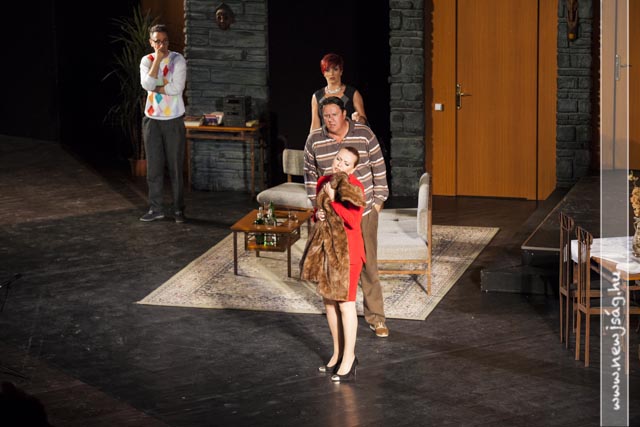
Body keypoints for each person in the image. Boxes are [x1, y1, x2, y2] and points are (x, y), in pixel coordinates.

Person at [304, 96, 390, 338]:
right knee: (334, 264)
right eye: (326, 115)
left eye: (334, 114)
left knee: (368, 264)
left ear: (344, 113)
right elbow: (310, 176)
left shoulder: (363, 134)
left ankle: (376, 317)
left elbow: (379, 167)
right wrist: (317, 207)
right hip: (331, 217)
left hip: (362, 212)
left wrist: (377, 204)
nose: (330, 119)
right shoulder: (315, 140)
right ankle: (342, 309)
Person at [302, 147, 365, 382]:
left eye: (346, 163)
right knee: (329, 303)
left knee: (346, 305)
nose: (339, 164)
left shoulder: (354, 187)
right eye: (338, 159)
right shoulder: (323, 181)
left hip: (349, 254)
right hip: (329, 252)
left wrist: (333, 200)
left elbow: (353, 220)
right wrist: (317, 215)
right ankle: (338, 354)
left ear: (353, 169)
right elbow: (319, 211)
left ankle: (349, 358)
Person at [139, 24, 187, 223]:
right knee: (154, 168)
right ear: (151, 42)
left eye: (165, 41)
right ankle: (156, 208)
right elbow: (146, 85)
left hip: (173, 120)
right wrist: (158, 60)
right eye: (157, 41)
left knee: (175, 167)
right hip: (152, 120)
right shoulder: (147, 60)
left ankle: (178, 210)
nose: (162, 45)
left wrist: (156, 88)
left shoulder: (178, 60)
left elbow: (177, 88)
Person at [309, 53, 368, 131]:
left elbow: (364, 121)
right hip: (326, 137)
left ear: (341, 71)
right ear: (323, 73)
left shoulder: (352, 94)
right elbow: (315, 126)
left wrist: (359, 119)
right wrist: (312, 138)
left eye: (335, 69)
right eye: (327, 70)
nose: (331, 73)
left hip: (349, 136)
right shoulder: (317, 96)